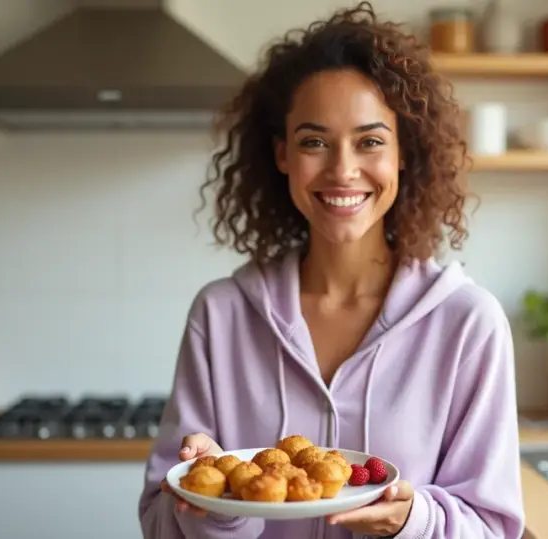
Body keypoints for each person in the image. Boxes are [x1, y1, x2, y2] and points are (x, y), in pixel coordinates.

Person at [138, 2, 524, 538]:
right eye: (314, 141)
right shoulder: (221, 315)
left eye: (370, 141)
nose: (343, 170)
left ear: (403, 155)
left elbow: (493, 529)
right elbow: (159, 526)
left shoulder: (468, 322)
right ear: (282, 155)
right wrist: (218, 504)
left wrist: (412, 522)